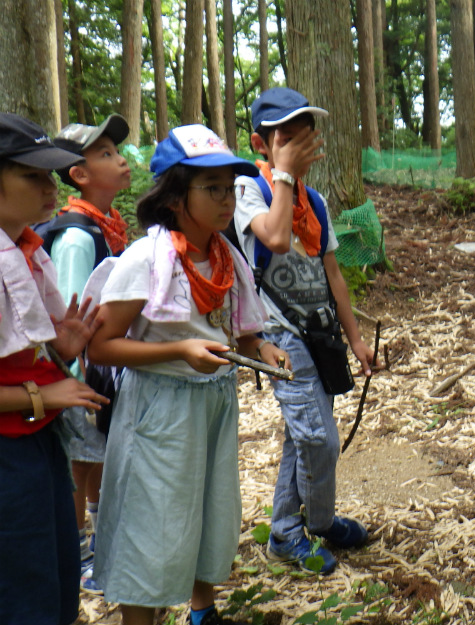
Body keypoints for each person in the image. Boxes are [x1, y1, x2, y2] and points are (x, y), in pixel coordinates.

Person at [87, 124, 289, 625]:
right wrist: (179, 349)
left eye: (230, 188)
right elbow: (101, 345)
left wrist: (261, 347)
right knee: (152, 525)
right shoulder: (144, 261)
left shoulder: (225, 257)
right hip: (160, 411)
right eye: (213, 188)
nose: (227, 201)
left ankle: (204, 612)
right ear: (176, 197)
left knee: (207, 510)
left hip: (214, 404)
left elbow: (238, 331)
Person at [233, 87, 374, 573]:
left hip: (320, 334)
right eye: (285, 139)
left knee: (302, 437)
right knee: (319, 439)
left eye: (305, 139)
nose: (298, 149)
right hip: (279, 337)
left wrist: (355, 338)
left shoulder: (314, 201)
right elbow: (272, 236)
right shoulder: (249, 188)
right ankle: (317, 520)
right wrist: (284, 173)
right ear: (261, 143)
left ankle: (289, 531)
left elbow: (334, 273)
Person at [0, 112, 108, 625]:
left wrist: (61, 351)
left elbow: (25, 354)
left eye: (51, 174)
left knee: (58, 577)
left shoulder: (26, 250)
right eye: (32, 175)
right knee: (23, 594)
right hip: (8, 451)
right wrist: (47, 395)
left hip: (38, 442)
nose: (49, 187)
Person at [49, 113, 131, 595]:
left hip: (105, 372)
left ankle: (100, 541)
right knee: (80, 461)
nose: (120, 159)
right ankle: (79, 551)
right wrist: (78, 376)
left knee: (97, 458)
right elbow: (70, 308)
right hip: (86, 375)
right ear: (78, 174)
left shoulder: (110, 227)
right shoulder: (79, 236)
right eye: (104, 154)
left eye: (116, 151)